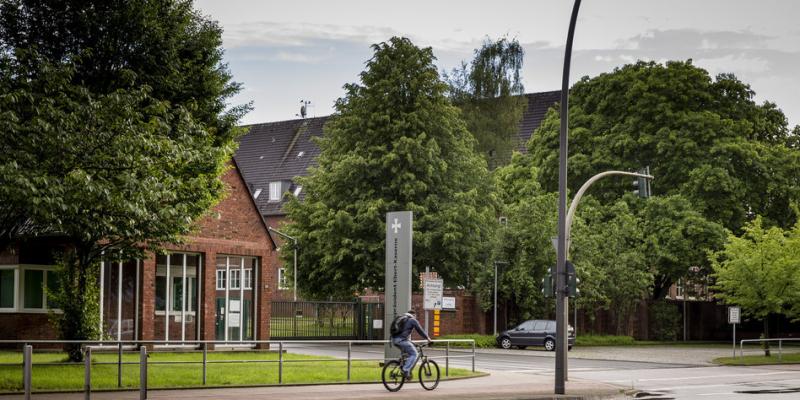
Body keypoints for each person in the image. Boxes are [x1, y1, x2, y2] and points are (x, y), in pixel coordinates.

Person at [390, 309, 433, 380]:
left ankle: (401, 365)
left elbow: (403, 333)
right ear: (414, 315)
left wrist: (412, 343)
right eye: (415, 316)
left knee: (406, 353)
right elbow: (420, 330)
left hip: (394, 340)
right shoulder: (412, 320)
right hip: (401, 340)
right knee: (414, 354)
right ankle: (405, 370)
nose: (415, 317)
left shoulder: (402, 318)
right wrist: (428, 338)